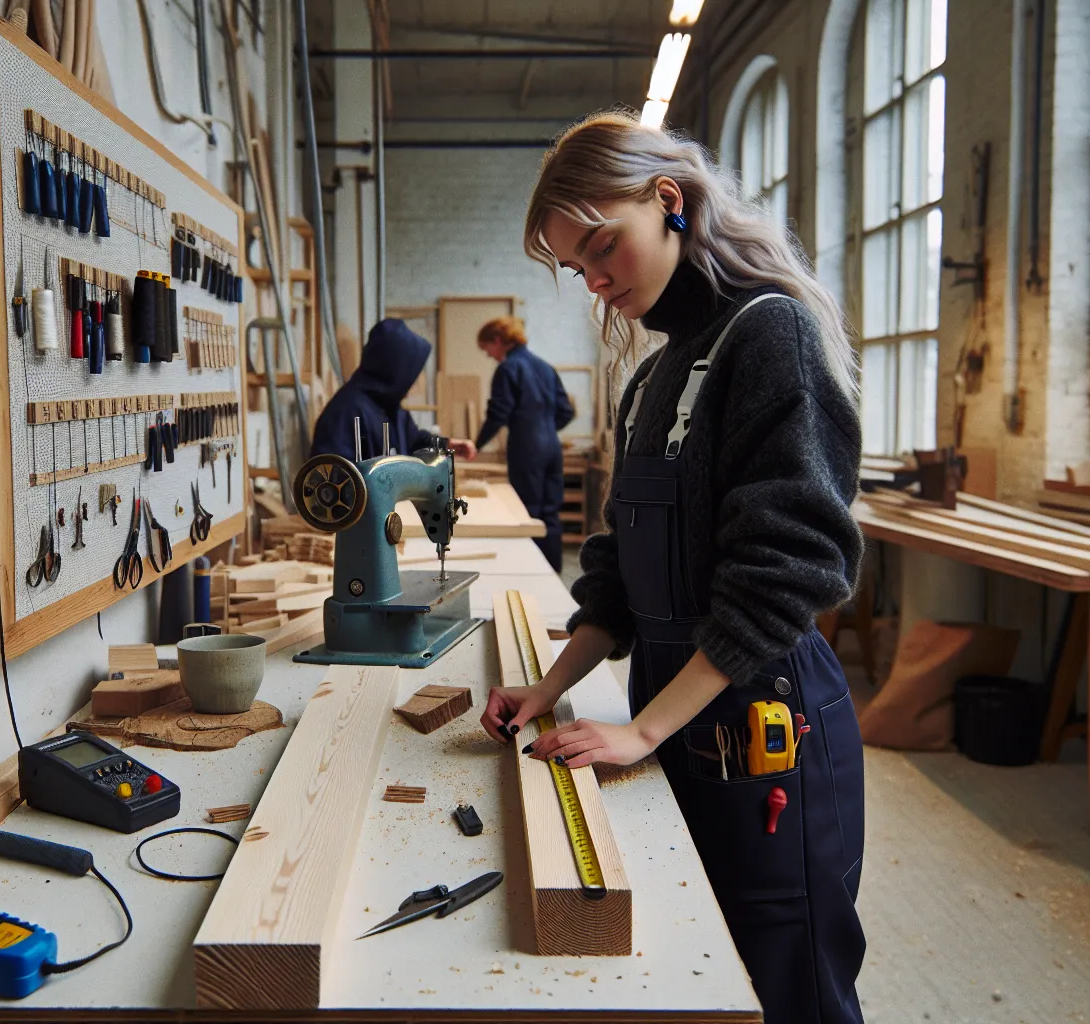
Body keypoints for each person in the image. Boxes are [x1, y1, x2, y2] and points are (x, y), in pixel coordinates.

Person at [479, 112, 866, 1024]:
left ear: (669, 200)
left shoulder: (772, 336)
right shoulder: (657, 377)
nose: (599, 280)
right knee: (700, 978)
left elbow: (786, 571)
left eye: (604, 247)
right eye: (580, 268)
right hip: (675, 705)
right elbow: (617, 568)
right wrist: (551, 686)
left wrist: (644, 733)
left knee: (790, 987)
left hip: (761, 725)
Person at [473, 317, 575, 570]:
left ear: (497, 340)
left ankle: (532, 571)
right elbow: (566, 410)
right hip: (552, 447)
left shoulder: (508, 369)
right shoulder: (545, 367)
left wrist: (477, 444)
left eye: (487, 349)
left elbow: (499, 412)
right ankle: (553, 570)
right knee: (549, 512)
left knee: (527, 512)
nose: (489, 356)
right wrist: (546, 429)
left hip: (526, 448)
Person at [311, 318, 476, 463]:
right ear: (395, 369)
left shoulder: (389, 406)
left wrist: (446, 444)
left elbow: (413, 441)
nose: (413, 383)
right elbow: (330, 478)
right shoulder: (346, 412)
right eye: (410, 373)